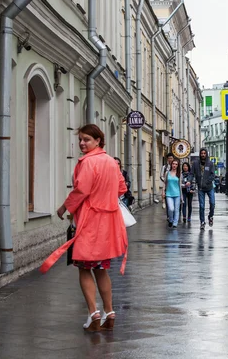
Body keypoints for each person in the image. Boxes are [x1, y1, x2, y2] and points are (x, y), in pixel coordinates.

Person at [39, 124, 128, 332]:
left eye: (86, 139)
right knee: (101, 269)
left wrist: (64, 207)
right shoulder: (111, 162)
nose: (82, 143)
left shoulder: (87, 162)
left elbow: (81, 191)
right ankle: (109, 312)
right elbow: (121, 188)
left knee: (84, 268)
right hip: (107, 225)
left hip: (88, 224)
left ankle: (93, 314)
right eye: (80, 139)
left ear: (98, 141)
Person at [192, 148, 216, 230]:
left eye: (204, 153)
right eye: (201, 153)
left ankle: (210, 216)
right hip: (201, 188)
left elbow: (213, 175)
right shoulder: (195, 163)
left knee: (212, 203)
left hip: (209, 187)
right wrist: (189, 181)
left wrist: (207, 182)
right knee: (201, 206)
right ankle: (202, 222)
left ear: (206, 154)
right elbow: (192, 174)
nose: (203, 155)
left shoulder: (210, 163)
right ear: (200, 154)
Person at [162, 159, 183, 228]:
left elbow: (180, 185)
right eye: (173, 164)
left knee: (176, 209)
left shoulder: (179, 174)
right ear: (171, 164)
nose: (174, 165)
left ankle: (175, 223)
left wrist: (181, 196)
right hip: (169, 194)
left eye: (176, 164)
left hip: (177, 194)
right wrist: (163, 192)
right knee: (171, 209)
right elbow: (164, 183)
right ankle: (170, 220)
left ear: (178, 165)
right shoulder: (167, 173)